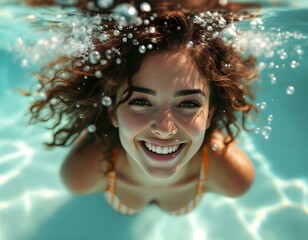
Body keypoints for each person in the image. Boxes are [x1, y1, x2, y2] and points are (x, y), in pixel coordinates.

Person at [26, 1, 258, 215]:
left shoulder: (234, 177)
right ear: (111, 110)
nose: (165, 128)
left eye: (188, 103)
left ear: (210, 115)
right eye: (140, 101)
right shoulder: (81, 173)